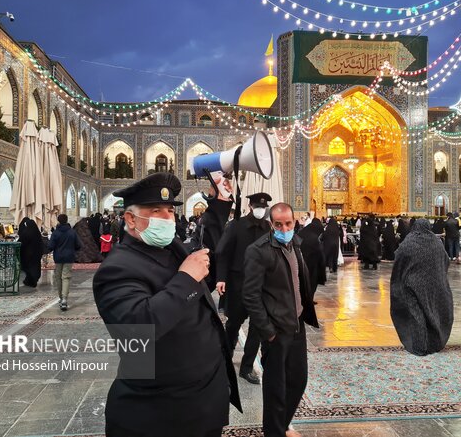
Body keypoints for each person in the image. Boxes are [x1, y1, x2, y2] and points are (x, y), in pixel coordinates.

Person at [93, 172, 241, 437]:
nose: (167, 218)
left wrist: (220, 202)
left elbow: (204, 246)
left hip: (202, 401)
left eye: (170, 211)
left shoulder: (169, 247)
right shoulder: (117, 268)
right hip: (160, 412)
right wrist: (186, 278)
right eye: (156, 210)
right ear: (130, 219)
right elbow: (138, 329)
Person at [243, 202, 318, 437]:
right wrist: (268, 331)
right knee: (276, 388)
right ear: (270, 224)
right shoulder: (259, 250)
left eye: (288, 223)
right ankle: (274, 432)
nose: (284, 228)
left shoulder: (295, 244)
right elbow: (250, 295)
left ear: (294, 222)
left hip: (296, 325)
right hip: (276, 329)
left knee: (298, 380)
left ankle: (282, 425)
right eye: (278, 224)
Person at [215, 192, 271, 385]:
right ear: (250, 207)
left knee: (257, 328)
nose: (260, 211)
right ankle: (225, 359)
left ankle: (246, 368)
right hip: (238, 284)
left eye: (263, 208)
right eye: (257, 207)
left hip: (261, 287)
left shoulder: (267, 228)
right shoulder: (236, 226)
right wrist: (221, 278)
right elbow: (222, 253)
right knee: (233, 325)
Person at [390, 219, 453, 356]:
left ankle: (419, 346)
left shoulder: (408, 242)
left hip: (412, 284)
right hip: (435, 285)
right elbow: (445, 261)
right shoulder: (437, 242)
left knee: (416, 314)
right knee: (432, 312)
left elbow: (399, 259)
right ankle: (434, 343)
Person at [49, 214, 81, 311]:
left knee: (58, 277)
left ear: (58, 221)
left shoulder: (55, 233)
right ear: (67, 220)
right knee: (66, 277)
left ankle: (61, 297)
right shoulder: (72, 232)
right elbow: (78, 245)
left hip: (58, 257)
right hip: (69, 257)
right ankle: (64, 299)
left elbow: (50, 246)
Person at [297, 217, 326, 298]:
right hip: (312, 266)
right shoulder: (313, 239)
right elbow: (319, 253)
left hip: (301, 264)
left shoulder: (301, 233)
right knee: (311, 283)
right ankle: (309, 299)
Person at [18, 217, 44, 287]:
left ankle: (31, 280)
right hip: (37, 254)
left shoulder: (26, 233)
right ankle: (32, 279)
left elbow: (20, 242)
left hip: (28, 254)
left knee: (28, 268)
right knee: (35, 267)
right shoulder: (37, 233)